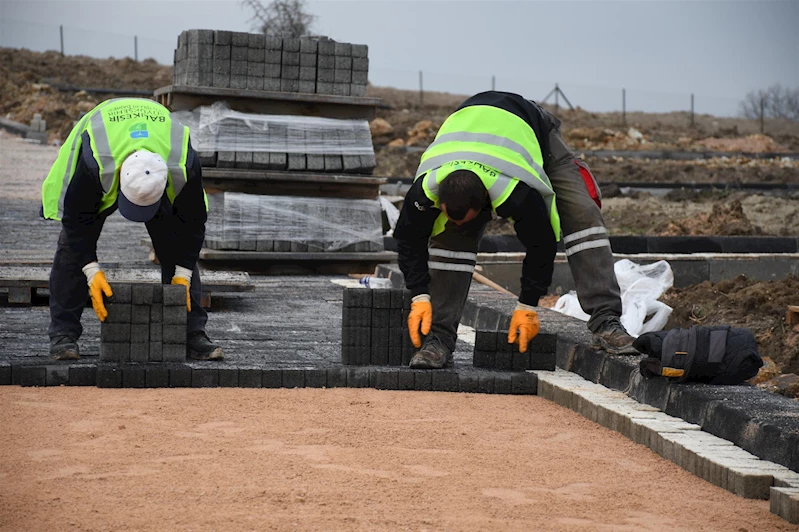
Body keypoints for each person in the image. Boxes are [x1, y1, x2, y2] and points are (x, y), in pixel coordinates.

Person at [394, 91, 637, 369]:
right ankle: (438, 338)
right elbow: (407, 239)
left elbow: (542, 243)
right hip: (468, 126)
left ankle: (606, 320)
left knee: (581, 214)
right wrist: (420, 296)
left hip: (537, 133)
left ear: (488, 203)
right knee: (452, 237)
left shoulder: (518, 195)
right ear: (439, 200)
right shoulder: (424, 190)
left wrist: (527, 306)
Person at [41, 97, 223, 361]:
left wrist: (182, 274)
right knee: (72, 248)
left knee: (176, 245)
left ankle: (192, 334)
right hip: (104, 149)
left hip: (154, 153)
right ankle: (63, 336)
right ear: (118, 178)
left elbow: (193, 224)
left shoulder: (183, 164)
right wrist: (92, 271)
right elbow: (77, 221)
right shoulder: (95, 162)